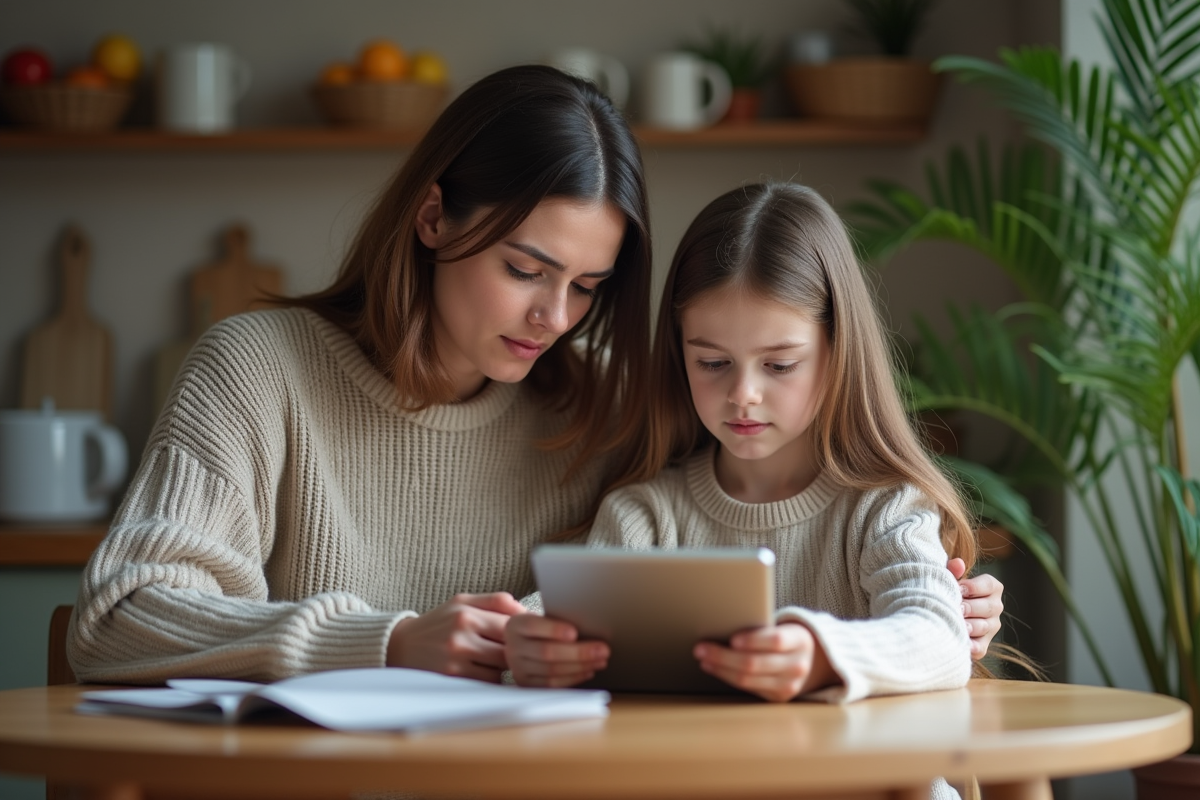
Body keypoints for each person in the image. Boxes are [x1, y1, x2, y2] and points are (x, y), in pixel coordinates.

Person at [67, 66, 1001, 686]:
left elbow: (758, 517)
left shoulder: (599, 412)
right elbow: (116, 622)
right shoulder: (256, 370)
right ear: (433, 218)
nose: (556, 319)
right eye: (525, 271)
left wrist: (936, 614)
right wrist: (387, 642)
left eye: (589, 287)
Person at [507, 182, 993, 708]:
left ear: (839, 352)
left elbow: (940, 640)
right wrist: (528, 643)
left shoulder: (887, 509)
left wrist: (821, 655)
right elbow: (559, 626)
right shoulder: (644, 516)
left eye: (780, 365)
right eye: (712, 363)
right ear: (679, 354)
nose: (742, 395)